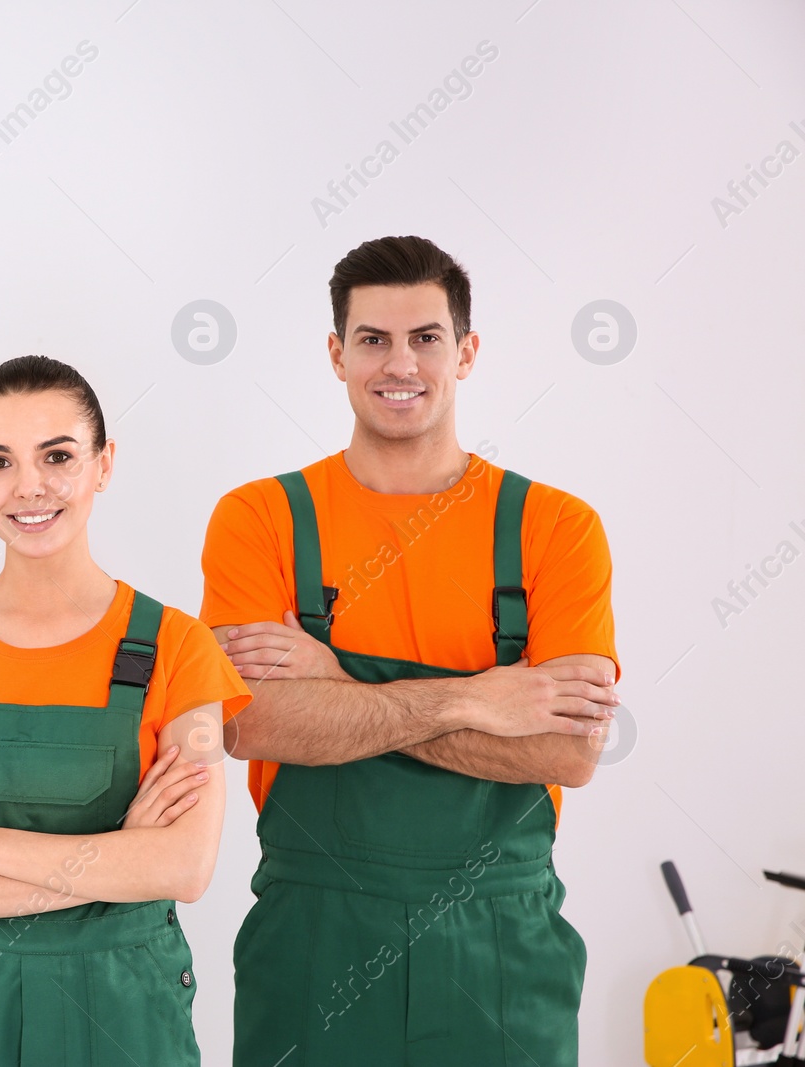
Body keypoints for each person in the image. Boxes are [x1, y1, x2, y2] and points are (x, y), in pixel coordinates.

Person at [202, 236, 621, 1066]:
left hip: (500, 945)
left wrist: (336, 681)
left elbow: (567, 751)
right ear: (336, 354)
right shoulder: (261, 519)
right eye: (373, 339)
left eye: (426, 337)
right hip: (314, 939)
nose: (401, 363)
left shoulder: (555, 528)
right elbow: (253, 727)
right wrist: (475, 698)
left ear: (465, 352)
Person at [0, 355, 252, 1066]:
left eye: (58, 455)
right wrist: (113, 866)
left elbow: (185, 865)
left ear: (104, 464)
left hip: (122, 1017)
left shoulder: (176, 647)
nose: (30, 486)